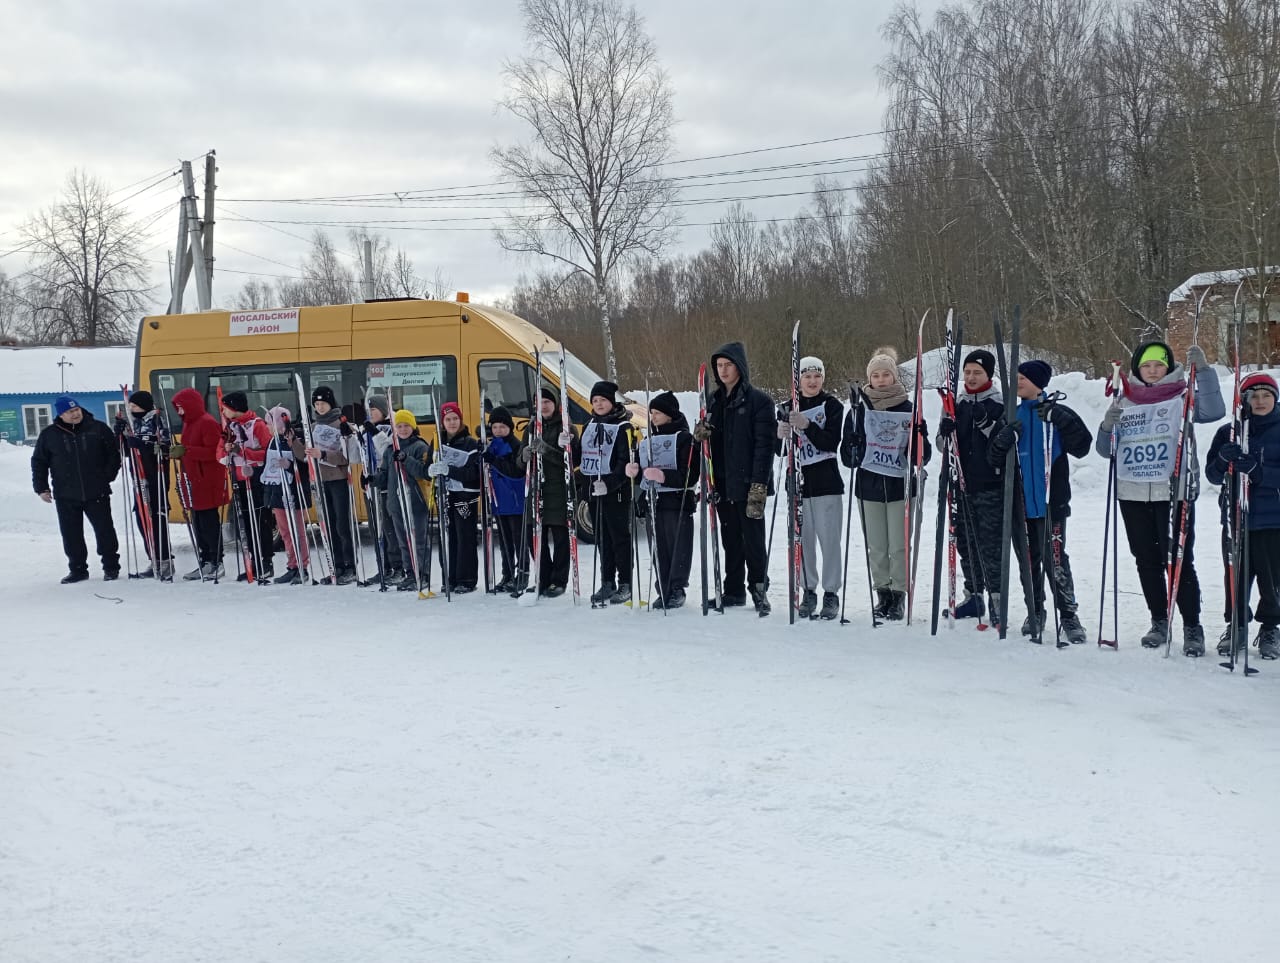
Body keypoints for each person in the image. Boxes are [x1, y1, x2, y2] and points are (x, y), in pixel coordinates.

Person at [1096, 341, 1223, 654]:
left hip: (1173, 489)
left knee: (1178, 560)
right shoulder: (1123, 399)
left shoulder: (1183, 394)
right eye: (1146, 365)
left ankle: (1192, 626)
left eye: (1159, 365)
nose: (1152, 370)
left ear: (1168, 367)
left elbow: (1214, 411)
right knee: (1146, 560)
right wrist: (1106, 427)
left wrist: (1204, 371)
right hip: (1132, 491)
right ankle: (1159, 620)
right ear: (1138, 368)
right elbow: (1105, 450)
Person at [988, 360, 1093, 643]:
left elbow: (1082, 446)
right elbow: (993, 458)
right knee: (1028, 560)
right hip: (1020, 504)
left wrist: (1061, 419)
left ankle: (1068, 615)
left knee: (1055, 559)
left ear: (1038, 381)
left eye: (1023, 377)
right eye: (1016, 377)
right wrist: (1002, 440)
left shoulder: (1056, 411)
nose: (1018, 381)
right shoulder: (1011, 415)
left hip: (1051, 503)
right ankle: (1035, 610)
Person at [841, 347, 931, 621]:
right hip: (869, 486)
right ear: (870, 378)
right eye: (876, 375)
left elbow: (922, 457)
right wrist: (854, 444)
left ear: (894, 377)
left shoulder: (908, 408)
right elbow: (847, 458)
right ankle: (883, 593)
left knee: (899, 545)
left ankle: (899, 593)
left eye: (886, 375)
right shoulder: (858, 410)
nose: (881, 380)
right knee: (877, 546)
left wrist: (920, 437)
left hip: (899, 487)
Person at [693, 342, 776, 615]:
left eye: (728, 365)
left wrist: (758, 485)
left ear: (739, 367)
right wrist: (700, 434)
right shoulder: (714, 402)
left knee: (752, 539)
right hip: (723, 482)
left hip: (750, 483)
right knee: (729, 539)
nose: (723, 370)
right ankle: (733, 590)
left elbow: (765, 447)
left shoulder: (760, 402)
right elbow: (705, 446)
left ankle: (759, 589)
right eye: (719, 366)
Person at [1205, 372, 1280, 660]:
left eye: (1266, 396)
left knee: (1272, 578)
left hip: (1273, 518)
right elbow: (1212, 474)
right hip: (1236, 517)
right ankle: (1235, 624)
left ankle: (1271, 626)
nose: (1260, 401)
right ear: (1244, 400)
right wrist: (1224, 459)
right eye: (1253, 396)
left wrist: (1259, 472)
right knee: (1236, 575)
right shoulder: (1230, 431)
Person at [936, 349, 1006, 621]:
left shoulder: (999, 403)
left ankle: (997, 599)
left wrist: (986, 424)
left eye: (977, 372)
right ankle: (973, 595)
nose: (971, 377)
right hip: (961, 486)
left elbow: (1002, 443)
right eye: (967, 372)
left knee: (990, 544)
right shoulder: (956, 403)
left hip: (989, 485)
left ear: (988, 374)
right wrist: (945, 432)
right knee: (965, 542)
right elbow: (943, 446)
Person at [775, 356, 845, 620]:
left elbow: (830, 442)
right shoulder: (786, 407)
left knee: (829, 540)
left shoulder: (832, 405)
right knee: (802, 540)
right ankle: (808, 590)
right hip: (798, 483)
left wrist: (807, 425)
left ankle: (831, 593)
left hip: (826, 482)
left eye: (817, 376)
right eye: (807, 377)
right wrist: (780, 434)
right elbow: (780, 452)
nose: (812, 381)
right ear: (798, 380)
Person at [31, 395, 121, 583]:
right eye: (70, 412)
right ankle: (78, 569)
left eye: (76, 410)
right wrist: (41, 488)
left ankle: (111, 567)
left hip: (97, 491)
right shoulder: (49, 435)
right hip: (66, 494)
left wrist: (107, 477)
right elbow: (39, 462)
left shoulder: (98, 429)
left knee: (105, 531)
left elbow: (113, 454)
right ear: (61, 414)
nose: (75, 414)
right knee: (71, 534)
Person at [628, 391, 698, 608]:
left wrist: (664, 476)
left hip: (677, 501)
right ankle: (663, 587)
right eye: (652, 413)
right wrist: (635, 471)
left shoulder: (685, 439)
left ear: (670, 414)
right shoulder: (648, 439)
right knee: (658, 546)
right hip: (654, 501)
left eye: (658, 413)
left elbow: (691, 474)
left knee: (678, 545)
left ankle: (677, 588)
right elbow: (643, 475)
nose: (653, 417)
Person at [518, 386, 581, 598]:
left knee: (561, 536)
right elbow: (519, 462)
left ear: (555, 404)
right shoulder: (530, 428)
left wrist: (547, 450)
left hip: (558, 489)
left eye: (547, 402)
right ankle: (542, 577)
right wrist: (525, 455)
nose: (543, 406)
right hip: (536, 489)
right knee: (534, 536)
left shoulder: (567, 428)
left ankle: (559, 579)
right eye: (539, 402)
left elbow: (573, 461)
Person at [581, 380, 635, 605]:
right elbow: (583, 455)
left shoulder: (624, 427)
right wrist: (568, 444)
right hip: (594, 489)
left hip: (616, 491)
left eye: (603, 400)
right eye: (595, 400)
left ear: (612, 402)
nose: (599, 404)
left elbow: (626, 461)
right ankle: (607, 581)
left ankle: (625, 583)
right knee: (602, 538)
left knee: (619, 538)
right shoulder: (589, 424)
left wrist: (611, 483)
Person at [113, 390, 175, 579]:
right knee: (142, 519)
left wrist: (142, 443)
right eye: (130, 406)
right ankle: (154, 558)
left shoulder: (157, 420)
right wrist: (120, 435)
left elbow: (164, 447)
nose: (132, 409)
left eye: (135, 406)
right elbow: (124, 451)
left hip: (155, 477)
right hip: (138, 478)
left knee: (156, 518)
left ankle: (164, 560)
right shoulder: (134, 423)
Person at [170, 388, 230, 579]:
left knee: (209, 524)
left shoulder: (207, 423)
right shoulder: (188, 423)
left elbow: (214, 453)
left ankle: (216, 561)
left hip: (208, 482)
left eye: (181, 408)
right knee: (198, 524)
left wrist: (186, 451)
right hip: (193, 481)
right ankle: (204, 561)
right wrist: (177, 453)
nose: (179, 412)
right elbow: (189, 451)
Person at [217, 390, 275, 581]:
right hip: (238, 479)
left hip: (256, 478)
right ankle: (252, 561)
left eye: (226, 408)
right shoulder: (230, 426)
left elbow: (268, 453)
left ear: (235, 408)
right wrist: (225, 453)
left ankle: (265, 562)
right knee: (245, 524)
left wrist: (243, 452)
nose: (223, 412)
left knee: (260, 522)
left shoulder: (256, 425)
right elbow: (220, 450)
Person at [305, 385, 357, 585]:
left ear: (330, 403)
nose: (320, 407)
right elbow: (305, 456)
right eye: (316, 404)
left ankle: (349, 565)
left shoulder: (340, 423)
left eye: (323, 403)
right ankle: (337, 566)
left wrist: (324, 454)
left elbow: (347, 456)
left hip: (338, 479)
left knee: (342, 525)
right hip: (321, 480)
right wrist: (294, 442)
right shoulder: (313, 426)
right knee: (328, 525)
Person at [431, 401, 482, 593]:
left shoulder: (470, 443)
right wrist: (432, 470)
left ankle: (466, 579)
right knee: (447, 536)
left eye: (455, 419)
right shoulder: (437, 442)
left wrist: (450, 470)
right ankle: (449, 577)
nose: (451, 423)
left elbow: (474, 473)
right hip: (445, 494)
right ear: (442, 422)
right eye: (447, 419)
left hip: (465, 495)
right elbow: (430, 462)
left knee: (464, 536)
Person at [379, 409, 433, 592]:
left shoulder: (420, 447)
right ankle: (409, 572)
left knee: (418, 539)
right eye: (399, 426)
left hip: (415, 501)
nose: (402, 429)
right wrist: (372, 479)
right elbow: (384, 475)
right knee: (403, 541)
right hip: (396, 501)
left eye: (406, 426)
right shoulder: (389, 449)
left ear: (413, 426)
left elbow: (424, 473)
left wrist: (406, 459)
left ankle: (423, 573)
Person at [261, 406, 311, 585]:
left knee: (297, 531)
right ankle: (292, 565)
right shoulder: (272, 441)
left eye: (269, 423)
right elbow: (268, 466)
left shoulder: (294, 437)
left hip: (294, 492)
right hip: (278, 492)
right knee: (285, 533)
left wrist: (289, 465)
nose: (267, 427)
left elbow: (306, 464)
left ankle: (302, 566)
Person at [483, 406, 527, 593]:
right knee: (504, 540)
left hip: (514, 499)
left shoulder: (515, 445)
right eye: (495, 427)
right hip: (498, 499)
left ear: (510, 427)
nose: (498, 430)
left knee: (518, 540)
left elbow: (515, 471)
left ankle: (522, 574)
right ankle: (507, 573)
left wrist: (494, 460)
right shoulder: (492, 444)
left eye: (502, 427)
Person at [362, 395, 404, 584]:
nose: (371, 413)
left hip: (388, 483)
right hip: (371, 482)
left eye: (374, 410)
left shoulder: (393, 427)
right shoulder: (366, 429)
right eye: (369, 410)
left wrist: (375, 434)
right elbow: (355, 456)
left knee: (390, 528)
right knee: (376, 528)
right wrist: (349, 437)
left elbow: (388, 451)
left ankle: (398, 566)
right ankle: (383, 566)